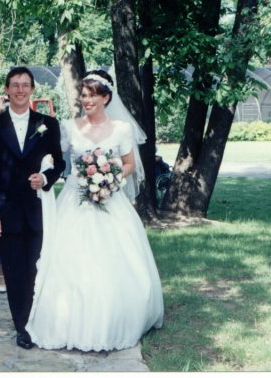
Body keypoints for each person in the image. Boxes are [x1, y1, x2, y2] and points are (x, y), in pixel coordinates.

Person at [25, 70, 164, 352]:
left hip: (109, 199)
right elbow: (54, 157)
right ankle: (65, 321)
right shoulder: (70, 127)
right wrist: (42, 168)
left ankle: (113, 318)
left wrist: (110, 178)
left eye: (92, 96)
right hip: (74, 199)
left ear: (106, 98)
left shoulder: (121, 129)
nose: (86, 100)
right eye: (84, 95)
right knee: (68, 259)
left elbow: (129, 163)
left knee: (114, 259)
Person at [0, 67, 65, 349]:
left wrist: (46, 178)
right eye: (15, 85)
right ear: (6, 89)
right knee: (15, 273)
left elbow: (60, 163)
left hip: (38, 210)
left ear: (32, 90)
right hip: (5, 213)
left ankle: (40, 320)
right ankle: (23, 327)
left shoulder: (47, 124)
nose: (20, 90)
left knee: (36, 270)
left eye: (25, 85)